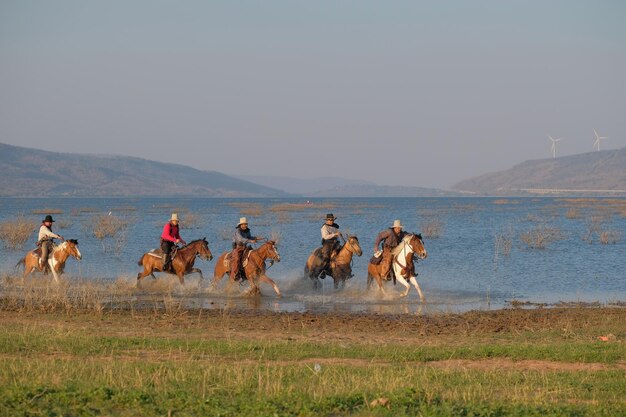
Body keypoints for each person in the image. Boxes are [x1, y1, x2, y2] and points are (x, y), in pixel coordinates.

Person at [319, 213, 341, 277]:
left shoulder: (335, 226)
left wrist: (338, 236)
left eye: (332, 220)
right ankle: (323, 270)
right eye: (330, 220)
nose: (331, 221)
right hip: (327, 243)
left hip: (335, 243)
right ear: (327, 220)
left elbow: (337, 235)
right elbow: (325, 237)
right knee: (326, 255)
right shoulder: (324, 227)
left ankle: (346, 270)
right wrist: (334, 234)